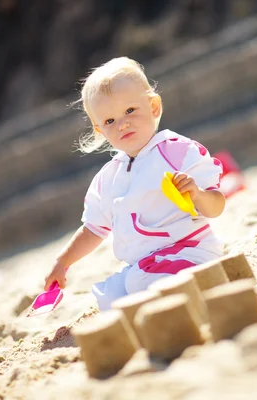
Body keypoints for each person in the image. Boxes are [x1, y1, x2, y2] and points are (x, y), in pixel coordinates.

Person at [43, 57, 226, 311]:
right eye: (109, 121)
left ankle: (189, 289)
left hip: (190, 252)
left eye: (130, 111)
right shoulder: (108, 178)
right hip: (143, 264)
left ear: (153, 107)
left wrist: (197, 193)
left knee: (142, 281)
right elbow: (93, 229)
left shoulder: (177, 151)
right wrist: (63, 262)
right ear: (100, 130)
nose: (122, 124)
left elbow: (216, 207)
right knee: (110, 297)